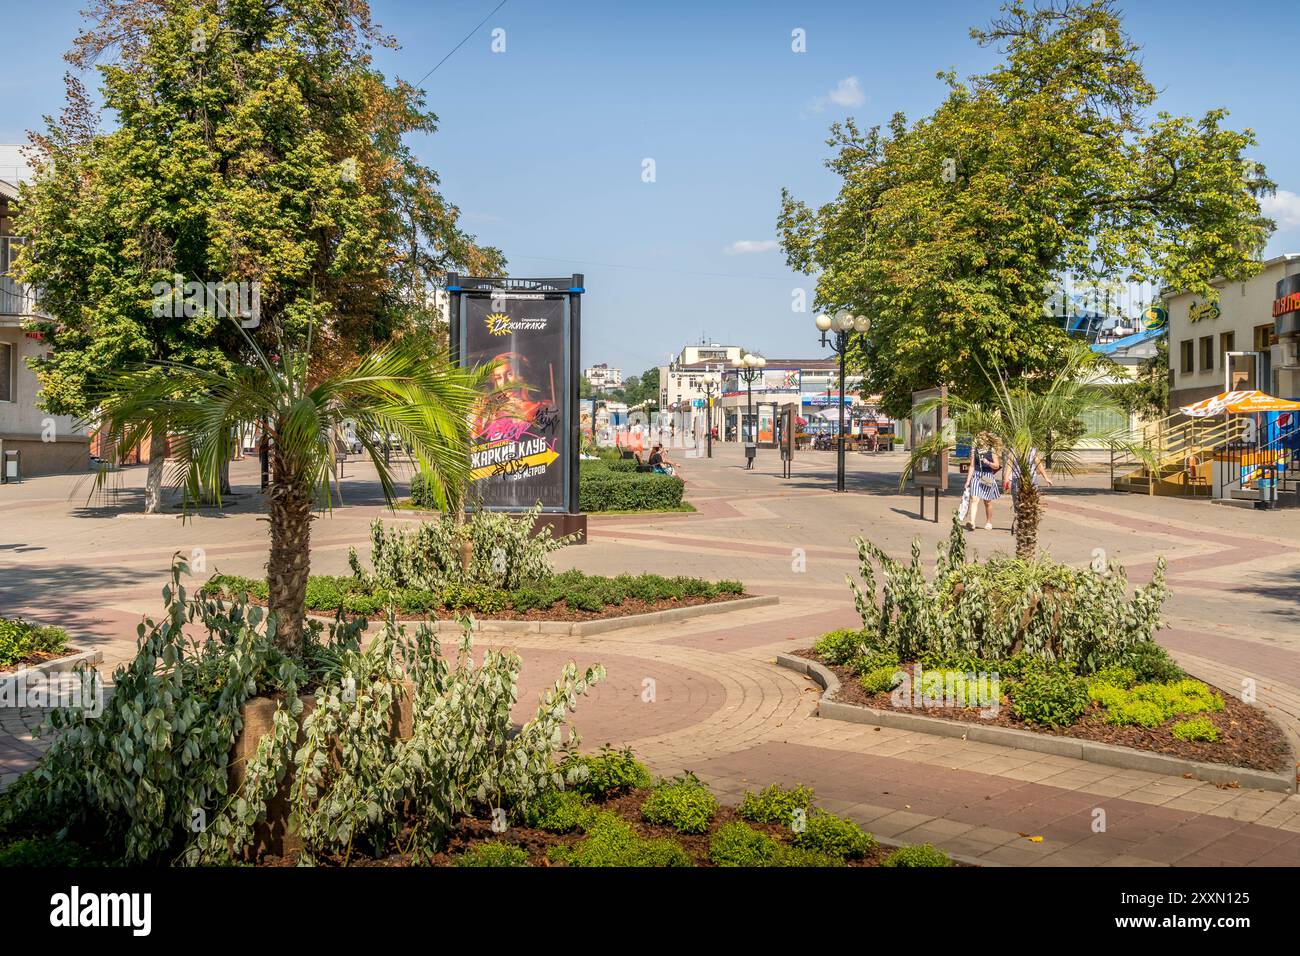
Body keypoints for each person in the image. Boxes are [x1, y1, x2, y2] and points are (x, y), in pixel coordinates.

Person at [1005, 446, 1053, 532]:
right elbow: (1009, 465)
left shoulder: (1032, 450)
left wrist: (1046, 478)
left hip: (1031, 480)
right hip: (1017, 479)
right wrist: (1006, 480)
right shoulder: (1014, 451)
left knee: (1031, 503)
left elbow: (1039, 465)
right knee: (1017, 502)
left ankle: (1030, 524)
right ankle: (1022, 523)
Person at [965, 431, 1002, 531]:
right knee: (974, 499)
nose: (979, 439)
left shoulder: (991, 450)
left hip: (987, 476)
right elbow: (972, 466)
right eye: (978, 437)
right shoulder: (974, 450)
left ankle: (989, 522)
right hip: (977, 475)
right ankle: (972, 522)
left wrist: (988, 462)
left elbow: (997, 465)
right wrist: (968, 481)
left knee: (987, 501)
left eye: (982, 437)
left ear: (986, 439)